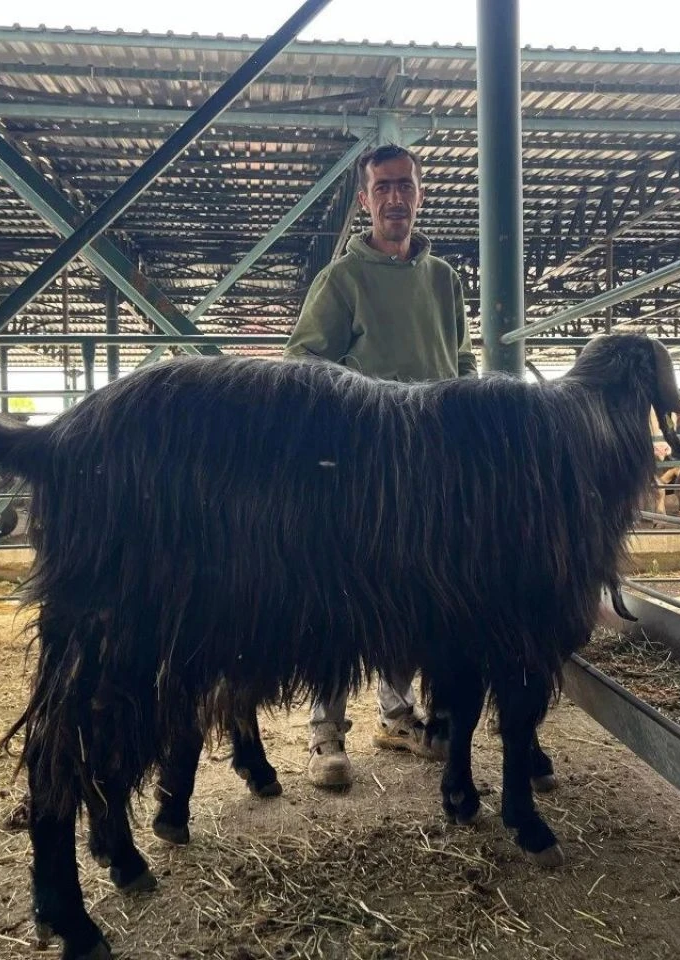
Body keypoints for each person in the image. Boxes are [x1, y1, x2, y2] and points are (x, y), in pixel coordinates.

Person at [283, 143, 477, 789]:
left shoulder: (445, 278)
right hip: (364, 467)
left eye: (406, 186)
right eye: (383, 188)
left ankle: (396, 715)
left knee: (412, 592)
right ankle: (324, 734)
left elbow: (462, 363)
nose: (395, 197)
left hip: (432, 468)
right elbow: (307, 364)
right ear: (365, 200)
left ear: (421, 194)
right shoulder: (341, 280)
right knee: (340, 593)